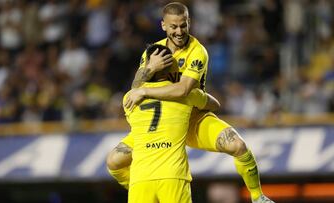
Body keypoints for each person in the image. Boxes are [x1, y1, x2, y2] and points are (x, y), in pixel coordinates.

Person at [107, 2, 274, 203]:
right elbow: (136, 86)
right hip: (162, 124)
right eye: (173, 26)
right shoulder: (154, 53)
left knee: (237, 145)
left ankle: (258, 197)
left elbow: (183, 90)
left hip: (192, 116)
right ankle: (141, 185)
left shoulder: (197, 51)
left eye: (183, 25)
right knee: (114, 161)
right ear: (163, 26)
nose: (179, 31)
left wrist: (144, 88)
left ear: (189, 23)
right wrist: (149, 69)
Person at [121, 44, 220, 203]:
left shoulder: (129, 99)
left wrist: (148, 72)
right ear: (171, 68)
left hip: (141, 177)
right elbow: (215, 104)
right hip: (173, 175)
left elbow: (137, 86)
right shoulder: (186, 95)